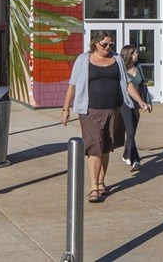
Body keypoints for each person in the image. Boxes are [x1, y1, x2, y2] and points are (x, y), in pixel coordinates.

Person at [61, 32, 149, 203]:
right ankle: (94, 187)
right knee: (95, 146)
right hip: (89, 110)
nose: (108, 48)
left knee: (106, 147)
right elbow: (72, 85)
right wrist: (65, 109)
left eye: (111, 45)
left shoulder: (116, 59)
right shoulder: (83, 59)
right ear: (95, 44)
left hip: (114, 109)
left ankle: (101, 182)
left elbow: (126, 83)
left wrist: (140, 100)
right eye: (105, 44)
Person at [119, 45, 153, 172]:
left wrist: (148, 102)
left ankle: (126, 154)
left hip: (138, 104)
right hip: (125, 104)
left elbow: (143, 86)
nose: (138, 54)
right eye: (135, 53)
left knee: (131, 132)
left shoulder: (138, 68)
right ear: (130, 55)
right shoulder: (121, 70)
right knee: (131, 131)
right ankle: (135, 160)